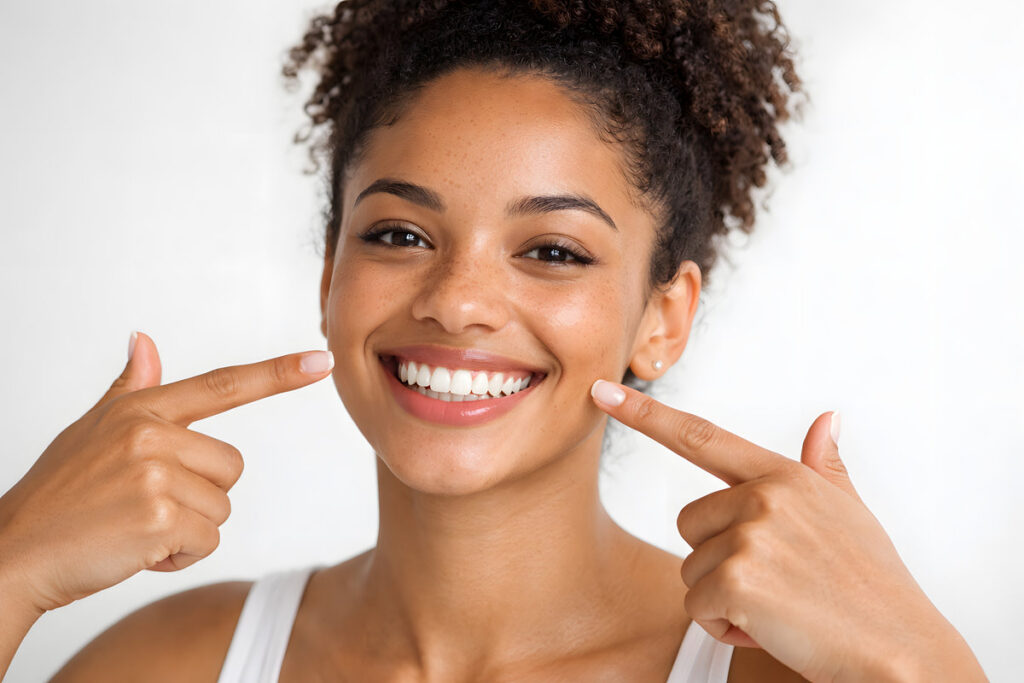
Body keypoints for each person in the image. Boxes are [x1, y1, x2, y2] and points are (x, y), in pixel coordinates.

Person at [0, 1, 988, 681]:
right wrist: (11, 564)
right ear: (329, 274)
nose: (460, 300)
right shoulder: (171, 663)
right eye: (398, 234)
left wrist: (921, 662)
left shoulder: (782, 674)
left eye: (551, 248)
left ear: (663, 315)